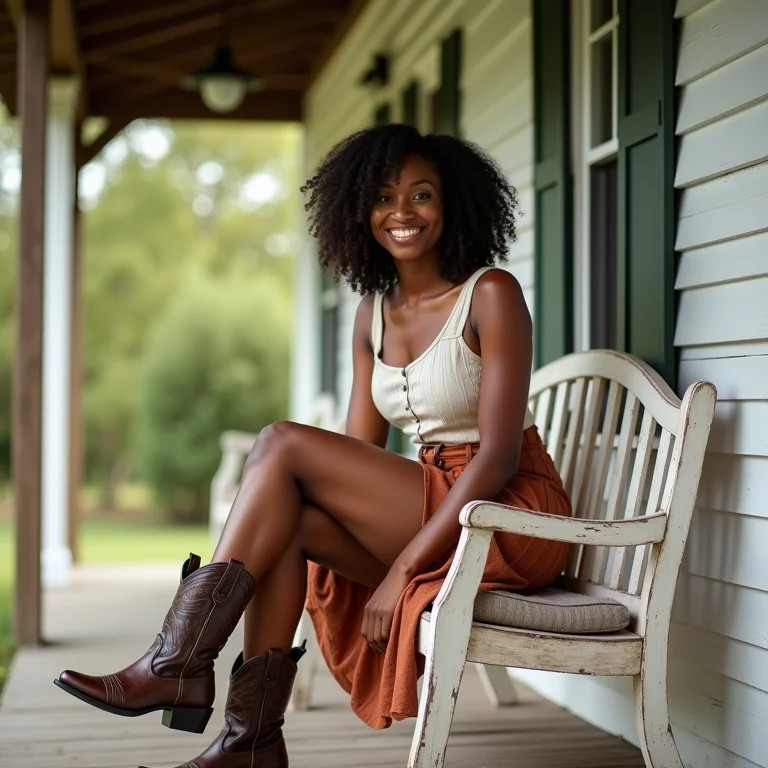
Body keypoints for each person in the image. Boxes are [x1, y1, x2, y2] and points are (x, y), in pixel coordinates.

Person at [53, 123, 572, 768]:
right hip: (434, 497)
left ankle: (180, 663)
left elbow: (495, 457)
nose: (402, 213)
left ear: (453, 203)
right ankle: (251, 743)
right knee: (290, 518)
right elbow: (359, 452)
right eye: (384, 197)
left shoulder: (490, 295)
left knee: (280, 443)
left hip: (509, 514)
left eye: (422, 195)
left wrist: (403, 569)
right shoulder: (370, 314)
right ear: (360, 210)